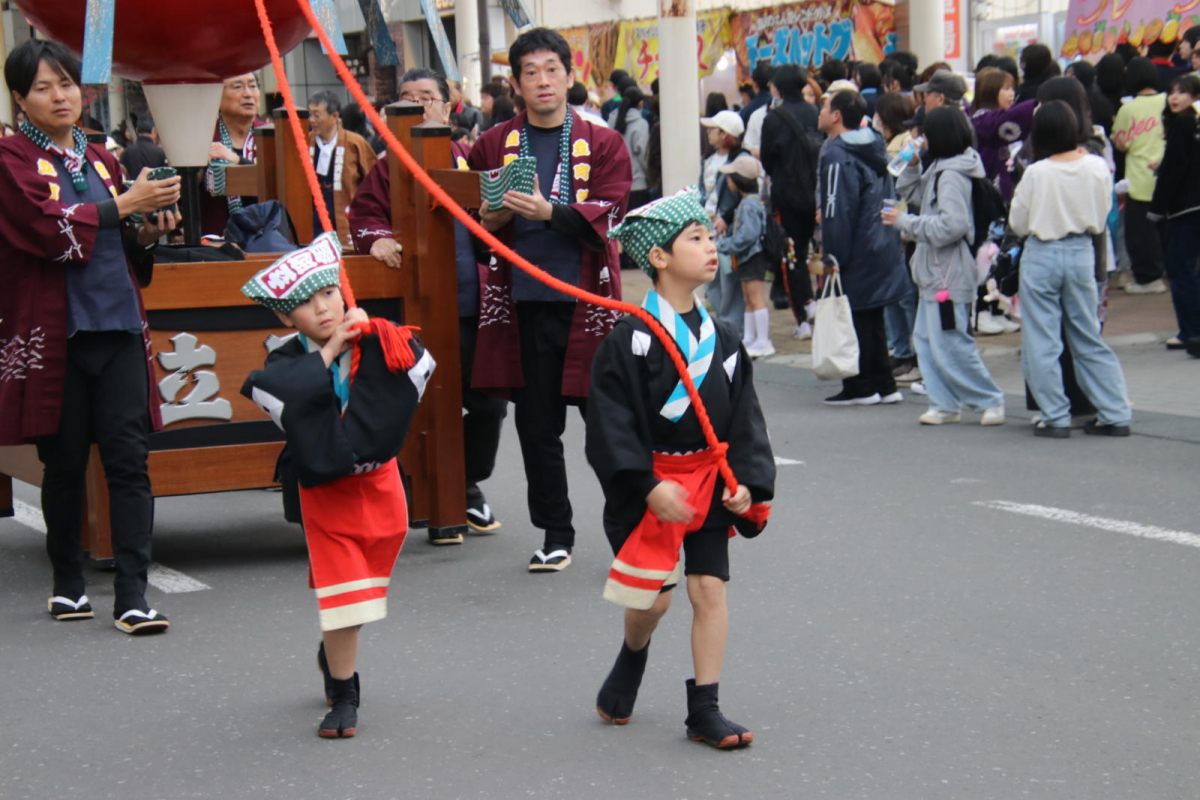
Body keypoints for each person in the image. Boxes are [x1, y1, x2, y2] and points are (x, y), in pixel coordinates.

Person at [0, 39, 180, 633]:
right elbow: (40, 227)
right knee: (65, 463)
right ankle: (67, 582)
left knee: (129, 461)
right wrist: (124, 205)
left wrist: (147, 230)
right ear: (20, 99)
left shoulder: (103, 159)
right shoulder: (10, 158)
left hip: (119, 324)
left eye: (67, 84)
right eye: (44, 87)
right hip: (58, 335)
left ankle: (132, 595)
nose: (60, 96)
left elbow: (123, 244)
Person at [588, 190, 774, 749]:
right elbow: (610, 424)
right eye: (695, 239)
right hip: (653, 483)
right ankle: (633, 652)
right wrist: (646, 486)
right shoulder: (629, 340)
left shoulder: (727, 339)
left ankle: (704, 709)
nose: (711, 246)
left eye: (710, 236)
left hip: (708, 482)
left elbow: (743, 419)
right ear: (660, 257)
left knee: (708, 588)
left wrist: (746, 484)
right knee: (656, 599)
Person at [240, 234, 435, 738]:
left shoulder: (376, 337)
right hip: (324, 493)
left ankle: (333, 650)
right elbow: (280, 394)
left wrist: (378, 334)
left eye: (328, 293)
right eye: (306, 303)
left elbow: (419, 367)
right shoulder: (286, 360)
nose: (323, 308)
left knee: (362, 594)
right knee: (345, 595)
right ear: (286, 317)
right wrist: (328, 351)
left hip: (380, 482)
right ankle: (346, 695)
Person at [468, 28, 633, 572]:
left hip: (589, 303)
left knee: (607, 426)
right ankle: (556, 533)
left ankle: (632, 532)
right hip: (523, 303)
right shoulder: (493, 143)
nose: (542, 80)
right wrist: (490, 219)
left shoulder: (603, 142)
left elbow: (612, 213)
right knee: (537, 427)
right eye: (530, 72)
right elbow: (472, 220)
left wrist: (549, 213)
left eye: (551, 69)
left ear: (569, 75)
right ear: (515, 83)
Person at [349, 67, 507, 542]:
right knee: (415, 405)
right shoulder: (386, 167)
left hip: (472, 303)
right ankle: (419, 496)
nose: (416, 106)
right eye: (405, 98)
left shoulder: (467, 159)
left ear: (447, 107)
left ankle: (467, 482)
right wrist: (376, 239)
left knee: (489, 403)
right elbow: (364, 216)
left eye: (426, 97)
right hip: (413, 310)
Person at [1009, 101, 1132, 437]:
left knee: (1042, 339)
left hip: (1042, 253)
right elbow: (1103, 211)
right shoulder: (1096, 166)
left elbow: (1018, 222)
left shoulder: (1036, 172)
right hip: (1081, 252)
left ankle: (1055, 416)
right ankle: (1115, 412)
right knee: (1087, 335)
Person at [883, 106, 1006, 426]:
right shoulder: (945, 168)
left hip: (947, 272)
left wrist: (905, 222)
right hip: (938, 271)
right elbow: (917, 195)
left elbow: (952, 225)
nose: (918, 138)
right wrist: (912, 167)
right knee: (927, 339)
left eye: (923, 133)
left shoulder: (951, 174)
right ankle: (944, 403)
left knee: (951, 341)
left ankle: (989, 399)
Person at [817, 89, 908, 406]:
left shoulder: (837, 154)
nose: (820, 112)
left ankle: (861, 386)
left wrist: (832, 254)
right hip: (881, 241)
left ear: (837, 115)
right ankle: (884, 382)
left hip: (856, 245)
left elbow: (837, 209)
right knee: (871, 316)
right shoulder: (875, 145)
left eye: (824, 107)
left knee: (854, 315)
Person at [759, 63, 822, 339]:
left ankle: (803, 319)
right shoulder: (816, 112)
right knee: (814, 251)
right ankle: (813, 303)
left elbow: (767, 161)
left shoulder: (773, 119)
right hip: (816, 196)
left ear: (779, 87)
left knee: (792, 255)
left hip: (787, 197)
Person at [1149, 74, 1200, 350]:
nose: (1174, 97)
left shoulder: (1183, 123)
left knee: (1180, 268)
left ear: (1195, 96)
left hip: (1185, 208)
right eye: (1171, 92)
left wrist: (1157, 208)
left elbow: (1174, 169)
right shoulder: (1193, 123)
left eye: (1182, 92)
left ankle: (1190, 332)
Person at [874, 91, 922, 381]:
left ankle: (911, 353)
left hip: (902, 226)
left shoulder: (904, 146)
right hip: (892, 223)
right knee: (893, 294)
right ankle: (900, 350)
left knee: (903, 295)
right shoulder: (887, 144)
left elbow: (902, 187)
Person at [1112, 57, 1168, 294]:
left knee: (1140, 232)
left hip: (1140, 178)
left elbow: (1121, 142)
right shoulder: (1168, 100)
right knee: (1168, 229)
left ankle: (1148, 278)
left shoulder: (1128, 109)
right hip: (1169, 175)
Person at [716, 155, 773, 357]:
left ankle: (763, 340)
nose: (728, 181)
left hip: (753, 256)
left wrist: (724, 245)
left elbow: (748, 236)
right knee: (748, 297)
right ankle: (750, 338)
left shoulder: (749, 204)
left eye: (731, 177)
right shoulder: (749, 202)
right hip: (748, 256)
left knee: (755, 297)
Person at [698, 109, 748, 336]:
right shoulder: (709, 158)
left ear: (725, 134)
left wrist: (726, 218)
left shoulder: (741, 160)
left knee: (729, 281)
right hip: (708, 226)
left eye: (714, 129)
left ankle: (732, 329)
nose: (709, 132)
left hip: (727, 229)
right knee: (711, 279)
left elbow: (742, 193)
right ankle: (724, 326)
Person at [307, 90, 376, 249]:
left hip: (344, 218)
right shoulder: (304, 141)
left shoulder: (355, 143)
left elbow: (373, 181)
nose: (312, 120)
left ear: (334, 116)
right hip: (313, 218)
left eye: (317, 115)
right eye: (310, 114)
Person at [201, 72, 261, 236]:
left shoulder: (271, 136)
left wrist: (237, 160)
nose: (248, 94)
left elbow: (277, 183)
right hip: (215, 238)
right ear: (217, 96)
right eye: (238, 87)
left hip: (265, 238)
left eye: (253, 86)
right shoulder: (204, 137)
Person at [971, 67, 1035, 203]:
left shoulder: (1006, 117)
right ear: (990, 91)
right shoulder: (982, 119)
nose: (1012, 94)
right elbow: (1005, 120)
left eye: (1012, 89)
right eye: (1006, 89)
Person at [609, 86, 650, 209]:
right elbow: (643, 154)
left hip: (617, 185)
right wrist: (650, 176)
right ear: (640, 103)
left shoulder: (612, 120)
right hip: (637, 184)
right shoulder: (641, 124)